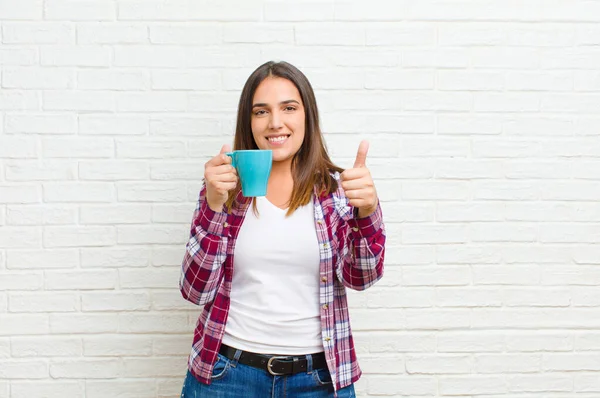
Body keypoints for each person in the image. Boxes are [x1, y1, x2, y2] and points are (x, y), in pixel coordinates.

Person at [179, 60, 386, 398]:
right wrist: (214, 205)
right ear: (249, 121)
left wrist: (367, 212)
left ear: (307, 115)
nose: (275, 122)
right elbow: (194, 290)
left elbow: (361, 277)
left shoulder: (338, 190)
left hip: (318, 380)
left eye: (288, 107)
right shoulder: (225, 188)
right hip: (226, 377)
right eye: (261, 112)